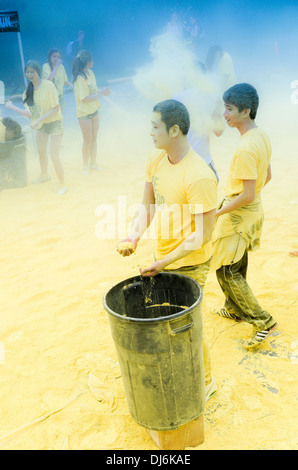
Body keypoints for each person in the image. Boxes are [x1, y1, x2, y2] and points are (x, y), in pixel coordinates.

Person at [117, 99, 218, 400]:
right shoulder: (155, 159)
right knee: (168, 322)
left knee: (186, 325)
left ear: (174, 129)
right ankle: (179, 373)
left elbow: (203, 235)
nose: (150, 132)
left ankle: (206, 382)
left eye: (155, 126)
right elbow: (148, 205)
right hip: (163, 256)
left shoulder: (199, 176)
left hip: (190, 260)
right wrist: (132, 237)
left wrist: (164, 262)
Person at [211, 83, 278, 349]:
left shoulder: (246, 148)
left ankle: (264, 321)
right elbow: (267, 177)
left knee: (227, 271)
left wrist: (217, 212)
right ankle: (234, 308)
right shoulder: (260, 136)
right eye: (224, 107)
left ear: (246, 111)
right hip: (250, 211)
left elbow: (247, 194)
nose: (224, 114)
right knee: (235, 264)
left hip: (239, 215)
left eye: (229, 109)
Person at [6, 60, 67, 195]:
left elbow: (56, 108)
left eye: (31, 71)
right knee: (41, 152)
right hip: (41, 126)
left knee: (54, 154)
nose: (29, 74)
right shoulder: (27, 93)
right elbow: (29, 114)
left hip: (55, 123)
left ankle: (62, 184)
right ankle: (44, 175)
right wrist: (11, 106)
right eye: (27, 72)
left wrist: (38, 119)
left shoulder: (48, 85)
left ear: (37, 72)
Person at [72, 50, 110, 174]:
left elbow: (94, 91)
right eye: (91, 60)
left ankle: (93, 163)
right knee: (87, 141)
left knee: (94, 139)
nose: (93, 62)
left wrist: (103, 91)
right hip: (84, 114)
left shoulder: (91, 73)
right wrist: (101, 93)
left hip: (94, 111)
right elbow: (85, 98)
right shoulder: (79, 78)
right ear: (87, 62)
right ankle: (85, 166)